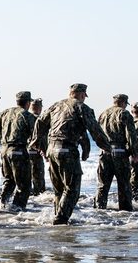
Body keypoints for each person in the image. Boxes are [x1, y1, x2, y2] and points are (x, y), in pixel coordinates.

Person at [31, 83, 110, 225]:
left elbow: (40, 121)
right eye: (84, 96)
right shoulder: (82, 107)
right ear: (81, 94)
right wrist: (106, 147)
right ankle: (60, 220)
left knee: (59, 190)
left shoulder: (56, 105)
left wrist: (35, 140)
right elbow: (94, 129)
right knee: (72, 190)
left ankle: (58, 218)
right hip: (67, 151)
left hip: (52, 150)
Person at [0, 91, 37, 209]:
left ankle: (0, 205)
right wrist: (40, 147)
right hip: (19, 151)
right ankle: (17, 209)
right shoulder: (27, 115)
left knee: (9, 180)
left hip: (4, 150)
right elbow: (36, 134)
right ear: (28, 103)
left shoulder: (6, 112)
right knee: (24, 185)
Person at [94, 94, 138, 211]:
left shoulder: (103, 114)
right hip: (120, 152)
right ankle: (125, 211)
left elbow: (97, 133)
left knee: (103, 184)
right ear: (123, 103)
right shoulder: (124, 113)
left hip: (104, 152)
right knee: (124, 185)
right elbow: (131, 135)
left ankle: (99, 209)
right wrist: (135, 153)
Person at [28, 98, 46, 195]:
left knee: (27, 176)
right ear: (40, 108)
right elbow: (41, 137)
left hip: (24, 151)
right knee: (38, 177)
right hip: (36, 150)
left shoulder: (26, 117)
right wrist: (44, 151)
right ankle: (38, 197)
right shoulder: (39, 119)